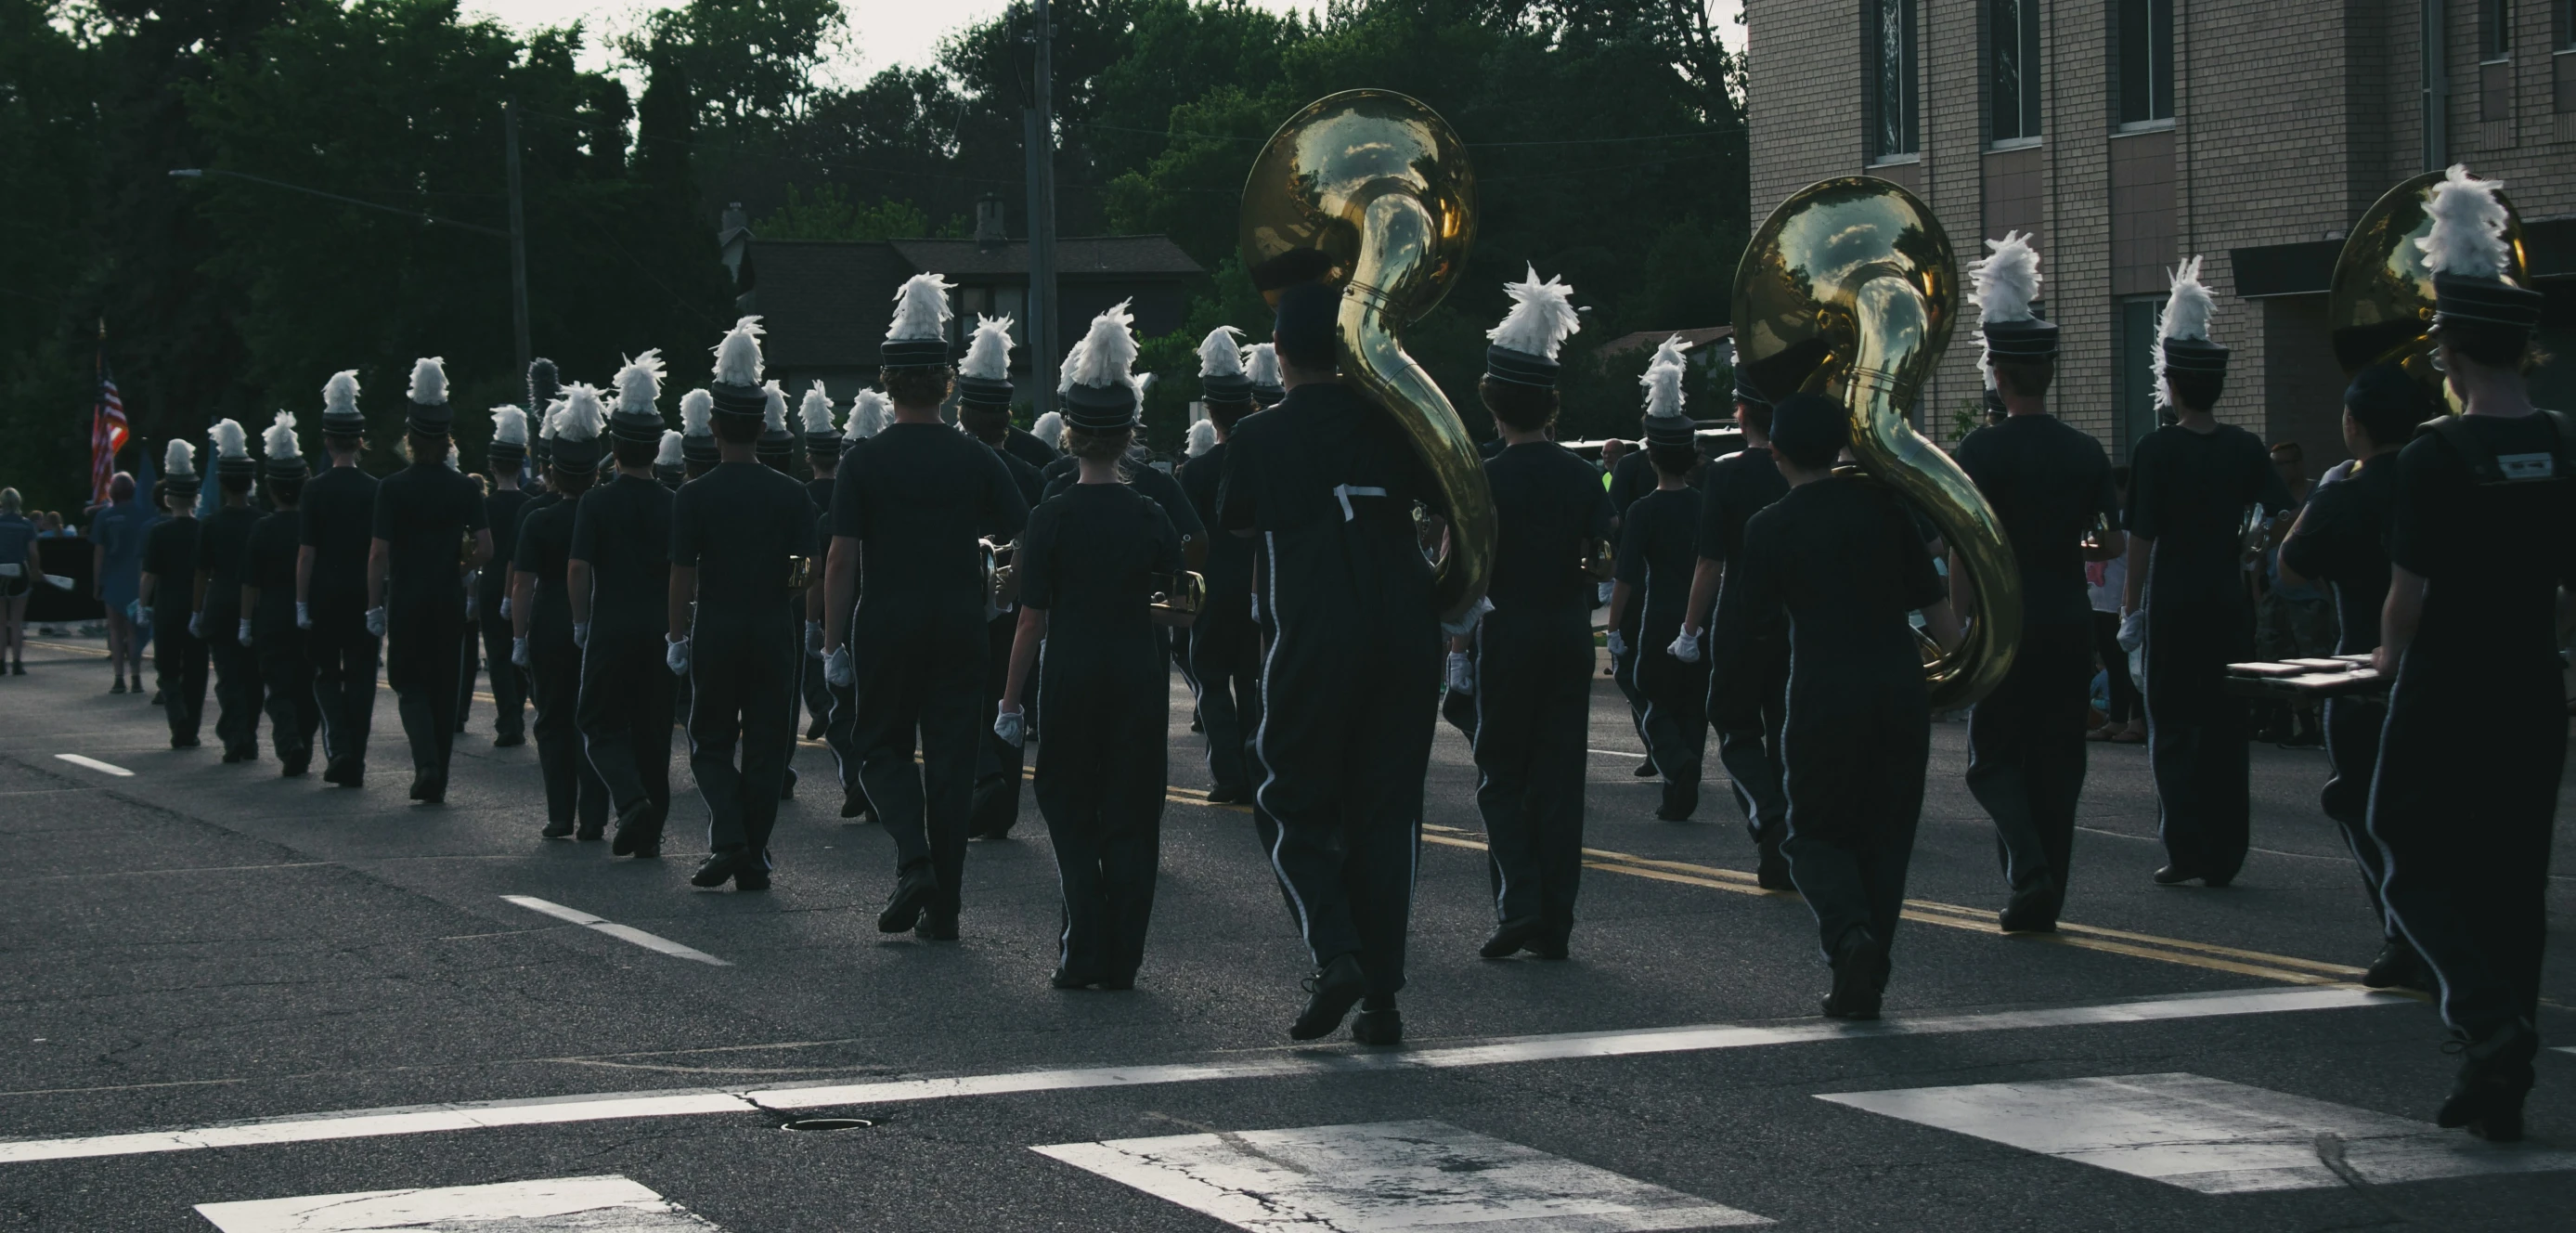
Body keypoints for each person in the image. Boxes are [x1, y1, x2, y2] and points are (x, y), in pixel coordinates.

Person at [2365, 167, 2567, 1142]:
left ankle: (2487, 1023)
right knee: (2512, 875)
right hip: (2532, 681)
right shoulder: (2564, 445)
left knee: (2405, 849)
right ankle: (2502, 1078)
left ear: (2449, 348)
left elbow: (2411, 593)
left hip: (2447, 682)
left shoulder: (2434, 454)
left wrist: (2383, 661)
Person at [1219, 277, 1455, 1045]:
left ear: (1279, 353)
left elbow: (1236, 524)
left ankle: (1334, 951)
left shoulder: (1256, 436)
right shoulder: (1399, 420)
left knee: (1287, 800)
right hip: (1407, 633)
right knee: (1387, 815)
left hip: (1313, 637)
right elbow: (1460, 501)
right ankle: (1382, 1001)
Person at [1710, 393, 1963, 1019]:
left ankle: (1849, 938)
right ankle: (1868, 976)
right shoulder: (1885, 508)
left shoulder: (1768, 526)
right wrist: (1964, 678)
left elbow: (1754, 626)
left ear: (1776, 452)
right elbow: (1940, 618)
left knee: (1812, 835)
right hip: (1899, 686)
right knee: (1887, 837)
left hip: (1823, 690)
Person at [822, 278, 1029, 931]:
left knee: (878, 749)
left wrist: (830, 644)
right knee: (950, 762)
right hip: (959, 621)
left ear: (887, 383)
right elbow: (1022, 531)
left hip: (886, 619)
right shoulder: (974, 457)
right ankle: (946, 911)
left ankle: (913, 861)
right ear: (948, 384)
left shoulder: (862, 462)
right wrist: (997, 585)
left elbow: (840, 561)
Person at [995, 303, 1185, 989]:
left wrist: (1009, 701)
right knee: (1133, 813)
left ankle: (1082, 951)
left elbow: (1029, 620)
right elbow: (1177, 609)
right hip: (1137, 675)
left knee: (1070, 810)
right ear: (1130, 433)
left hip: (1070, 676)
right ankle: (1124, 959)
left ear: (1070, 434)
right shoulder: (1151, 514)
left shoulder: (1049, 516)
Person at [1943, 233, 2126, 933]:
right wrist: (2063, 538)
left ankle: (2028, 871)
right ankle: (2047, 889)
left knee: (1991, 761)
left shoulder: (1979, 449)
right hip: (2067, 617)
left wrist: (1956, 630)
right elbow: (2107, 541)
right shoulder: (2083, 449)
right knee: (2058, 762)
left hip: (2002, 623)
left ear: (1997, 374)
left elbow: (1963, 548)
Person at [2117, 258, 2294, 888]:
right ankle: (2225, 852)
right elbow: (2279, 510)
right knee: (2223, 731)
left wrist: (2130, 606)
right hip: (2225, 597)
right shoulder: (2244, 446)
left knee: (2172, 727)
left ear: (2172, 385)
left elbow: (2140, 535)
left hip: (2172, 598)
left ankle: (2185, 848)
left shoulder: (2156, 448)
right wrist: (2250, 548)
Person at [1456, 268, 1612, 959]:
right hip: (1569, 633)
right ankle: (1555, 922)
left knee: (1499, 776)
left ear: (1493, 405)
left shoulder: (1480, 478)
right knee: (1558, 783)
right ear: (1550, 405)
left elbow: (1465, 570)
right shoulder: (1582, 476)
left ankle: (1517, 898)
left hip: (1506, 630)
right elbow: (1603, 560)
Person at [2276, 363, 2431, 990]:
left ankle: (2403, 935)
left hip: (2362, 668)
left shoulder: (2347, 489)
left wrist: (2322, 496)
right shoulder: (2440, 477)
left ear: (2353, 424)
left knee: (2360, 805)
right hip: (2447, 667)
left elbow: (2289, 569)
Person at [672, 317, 820, 892]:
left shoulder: (693, 495)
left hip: (715, 626)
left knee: (709, 743)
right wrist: (779, 598)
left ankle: (732, 838)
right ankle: (753, 855)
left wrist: (676, 636)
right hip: (770, 627)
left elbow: (683, 575)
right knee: (765, 747)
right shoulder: (791, 494)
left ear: (713, 428)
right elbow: (804, 569)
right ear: (762, 426)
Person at [1674, 371, 1792, 886]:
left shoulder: (1723, 473)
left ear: (1741, 411)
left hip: (1742, 617)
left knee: (1733, 724)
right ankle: (1782, 845)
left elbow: (1710, 562)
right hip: (1795, 619)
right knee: (1784, 735)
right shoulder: (1803, 469)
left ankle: (1768, 816)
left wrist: (1689, 628)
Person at [368, 357, 493, 804]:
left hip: (405, 595)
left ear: (411, 438)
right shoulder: (464, 488)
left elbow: (379, 552)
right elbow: (485, 548)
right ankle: (437, 776)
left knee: (408, 682)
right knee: (444, 686)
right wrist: (458, 569)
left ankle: (426, 764)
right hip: (446, 595)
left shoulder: (392, 488)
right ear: (447, 439)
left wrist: (373, 605)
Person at [575, 353, 679, 857]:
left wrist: (579, 621)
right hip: (660, 628)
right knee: (654, 732)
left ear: (613, 447)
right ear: (657, 448)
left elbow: (578, 569)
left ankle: (630, 798)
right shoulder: (674, 502)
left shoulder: (595, 502)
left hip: (611, 626)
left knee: (597, 721)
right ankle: (650, 833)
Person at [954, 314, 1049, 840]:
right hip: (1015, 608)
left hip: (962, 603)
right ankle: (1001, 803)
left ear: (965, 410)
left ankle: (979, 781)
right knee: (1007, 696)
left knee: (965, 699)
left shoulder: (949, 459)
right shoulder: (1034, 466)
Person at [1607, 340, 1708, 823]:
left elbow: (1626, 573)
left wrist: (1613, 625)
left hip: (1654, 611)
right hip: (1699, 609)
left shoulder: (1642, 506)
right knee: (1692, 703)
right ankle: (1679, 790)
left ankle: (1674, 762)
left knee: (1645, 689)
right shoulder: (1703, 501)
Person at [512, 388, 612, 837]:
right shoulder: (604, 512)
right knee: (594, 717)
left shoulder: (537, 518)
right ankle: (593, 815)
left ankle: (559, 815)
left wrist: (517, 637)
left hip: (550, 621)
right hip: (599, 616)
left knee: (553, 718)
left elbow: (522, 584)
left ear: (552, 470)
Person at [1179, 327, 1264, 807]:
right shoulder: (1265, 461)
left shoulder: (1195, 471)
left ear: (1211, 412)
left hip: (1211, 589)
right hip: (1257, 586)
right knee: (1251, 682)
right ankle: (1254, 768)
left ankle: (1228, 775)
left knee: (1212, 682)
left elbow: (1189, 540)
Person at [302, 370, 382, 786]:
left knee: (326, 676)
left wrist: (300, 602)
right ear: (360, 439)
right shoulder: (376, 489)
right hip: (364, 595)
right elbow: (379, 551)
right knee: (362, 677)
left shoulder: (314, 489)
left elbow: (307, 553)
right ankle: (358, 757)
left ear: (328, 440)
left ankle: (341, 747)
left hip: (324, 595)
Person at [242, 411, 318, 776]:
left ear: (271, 487)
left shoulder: (262, 529)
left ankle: (290, 742)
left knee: (279, 686)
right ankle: (303, 739)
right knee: (307, 685)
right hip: (310, 614)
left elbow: (251, 582)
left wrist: (245, 622)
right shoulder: (313, 524)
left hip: (272, 616)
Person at [194, 420, 266, 763]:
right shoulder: (260, 521)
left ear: (222, 484)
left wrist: (196, 612)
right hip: (254, 607)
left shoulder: (210, 524)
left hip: (221, 605)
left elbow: (201, 572)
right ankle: (246, 733)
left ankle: (236, 734)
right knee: (252, 678)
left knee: (228, 677)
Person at [474, 407, 534, 748]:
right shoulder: (531, 503)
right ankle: (517, 711)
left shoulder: (483, 505)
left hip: (492, 582)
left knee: (497, 654)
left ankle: (508, 717)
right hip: (524, 583)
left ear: (493, 466)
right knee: (519, 649)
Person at [140, 442, 207, 747]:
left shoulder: (159, 532)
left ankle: (177, 716)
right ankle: (190, 728)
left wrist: (143, 604)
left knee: (167, 667)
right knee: (195, 669)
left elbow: (150, 574)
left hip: (167, 606)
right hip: (197, 606)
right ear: (196, 497)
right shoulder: (204, 529)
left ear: (168, 499)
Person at [796, 381, 844, 744]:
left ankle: (820, 704)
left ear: (810, 457)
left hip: (809, 582)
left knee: (810, 653)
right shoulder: (849, 493)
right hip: (849, 581)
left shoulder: (800, 496)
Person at [2086, 467, 2142, 743]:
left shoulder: (2128, 523)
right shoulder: (2107, 520)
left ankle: (2131, 720)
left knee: (2126, 666)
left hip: (2117, 604)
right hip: (2099, 602)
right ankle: (2119, 718)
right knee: (2112, 663)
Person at [90, 473, 151, 692]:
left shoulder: (103, 517)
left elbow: (99, 552)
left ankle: (118, 678)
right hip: (136, 580)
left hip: (112, 579)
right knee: (133, 630)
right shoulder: (143, 515)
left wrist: (97, 583)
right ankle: (136, 677)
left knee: (115, 631)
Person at [0, 487, 33, 676]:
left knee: (1, 622)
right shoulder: (26, 524)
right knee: (16, 621)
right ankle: (17, 663)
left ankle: (0, 662)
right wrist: (36, 570)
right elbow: (33, 552)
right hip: (20, 571)